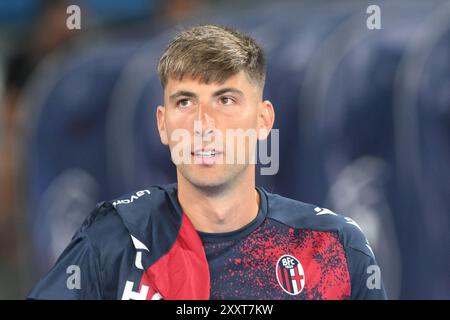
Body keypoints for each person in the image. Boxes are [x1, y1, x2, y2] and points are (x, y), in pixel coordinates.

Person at [28, 25, 387, 300]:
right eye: (185, 102)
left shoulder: (333, 248)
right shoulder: (115, 241)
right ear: (162, 124)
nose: (203, 125)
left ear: (263, 121)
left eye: (225, 100)